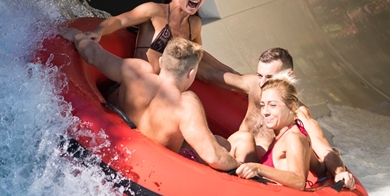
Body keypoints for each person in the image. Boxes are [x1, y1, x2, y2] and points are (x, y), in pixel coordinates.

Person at [61, 29, 253, 170]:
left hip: (116, 145)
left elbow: (93, 55)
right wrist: (238, 165)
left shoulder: (136, 71)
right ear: (191, 73)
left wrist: (77, 36)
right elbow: (213, 157)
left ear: (162, 62)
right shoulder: (186, 104)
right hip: (152, 169)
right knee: (226, 143)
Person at [199, 47, 356, 189]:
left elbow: (326, 151)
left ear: (289, 75)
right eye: (259, 75)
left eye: (269, 77)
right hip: (240, 162)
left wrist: (339, 173)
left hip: (261, 176)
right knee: (233, 139)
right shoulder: (254, 86)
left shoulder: (298, 113)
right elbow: (211, 74)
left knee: (243, 138)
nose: (262, 83)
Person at [86, 0, 232, 75]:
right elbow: (119, 21)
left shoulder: (194, 24)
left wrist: (229, 70)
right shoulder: (154, 11)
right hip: (138, 84)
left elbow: (199, 55)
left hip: (162, 92)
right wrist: (99, 31)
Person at [235, 75, 314, 190]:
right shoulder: (288, 133)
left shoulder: (292, 137)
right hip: (267, 191)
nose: (265, 112)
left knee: (240, 139)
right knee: (242, 139)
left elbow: (299, 180)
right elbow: (320, 169)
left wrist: (258, 168)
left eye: (272, 105)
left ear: (292, 107)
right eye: (262, 105)